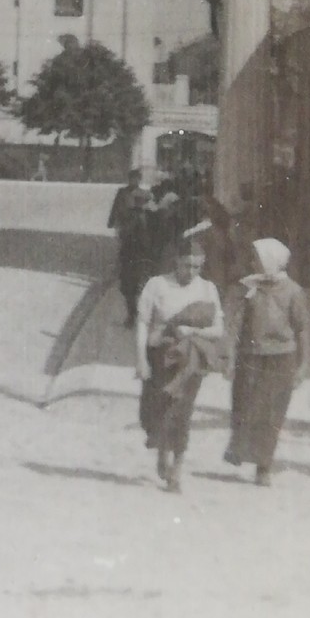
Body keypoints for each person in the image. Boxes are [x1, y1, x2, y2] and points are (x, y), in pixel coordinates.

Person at [135, 238, 226, 492]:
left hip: (191, 360)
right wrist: (141, 360)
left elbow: (218, 330)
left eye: (197, 266)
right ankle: (162, 451)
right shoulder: (157, 285)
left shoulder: (208, 289)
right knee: (155, 410)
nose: (192, 272)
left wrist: (191, 331)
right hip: (160, 356)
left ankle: (177, 469)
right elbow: (143, 323)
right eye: (187, 265)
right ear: (176, 261)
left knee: (182, 413)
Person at [223, 237, 310, 486]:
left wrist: (303, 365)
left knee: (271, 414)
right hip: (249, 358)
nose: (252, 262)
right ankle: (240, 450)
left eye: (256, 259)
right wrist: (229, 355)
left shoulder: (293, 291)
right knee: (243, 406)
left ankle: (264, 466)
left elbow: (303, 329)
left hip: (281, 359)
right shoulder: (249, 288)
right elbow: (236, 324)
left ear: (270, 261)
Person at [109, 167, 157, 328]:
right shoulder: (124, 196)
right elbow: (116, 210)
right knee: (133, 286)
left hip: (138, 255)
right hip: (136, 254)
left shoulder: (145, 216)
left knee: (132, 286)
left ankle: (135, 315)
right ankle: (134, 314)